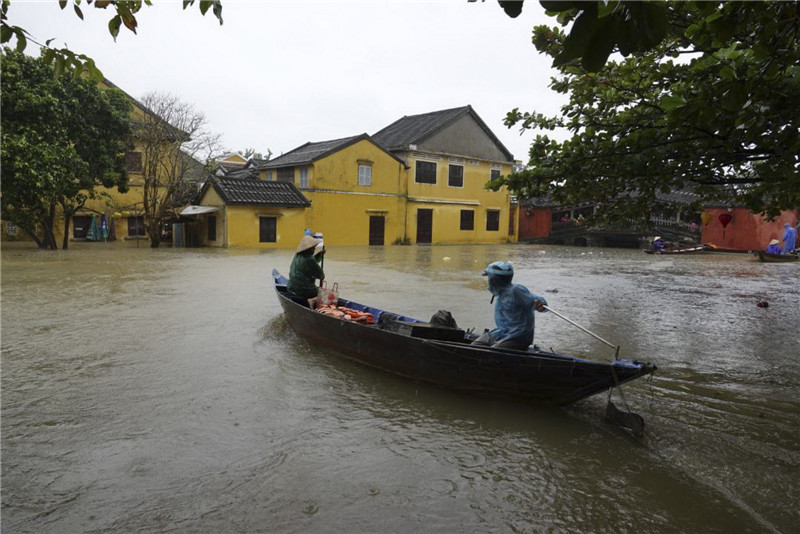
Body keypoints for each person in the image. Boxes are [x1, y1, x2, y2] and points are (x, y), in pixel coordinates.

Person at [472, 261, 548, 351]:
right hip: (502, 332)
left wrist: (540, 304)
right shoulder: (501, 292)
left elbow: (538, 301)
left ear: (495, 279)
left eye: (489, 278)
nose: (489, 281)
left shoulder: (516, 291)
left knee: (493, 353)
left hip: (518, 336)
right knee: (474, 346)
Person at [287, 234, 325, 307]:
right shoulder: (309, 260)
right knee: (324, 294)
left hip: (291, 288)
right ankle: (312, 300)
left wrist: (319, 254)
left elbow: (310, 263)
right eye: (313, 248)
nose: (314, 249)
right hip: (304, 290)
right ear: (309, 249)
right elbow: (321, 276)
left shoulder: (297, 255)